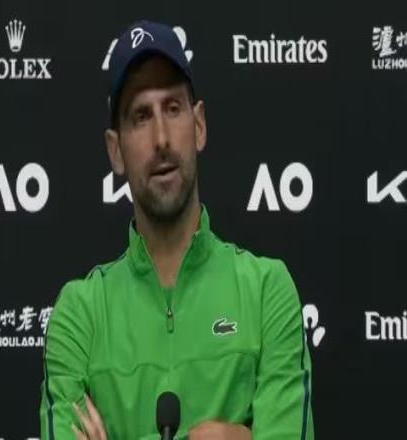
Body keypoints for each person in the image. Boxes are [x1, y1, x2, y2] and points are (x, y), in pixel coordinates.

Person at [40, 20, 314, 440]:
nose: (162, 138)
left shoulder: (267, 291)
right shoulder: (79, 316)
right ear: (116, 150)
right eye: (141, 116)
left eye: (172, 108)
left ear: (198, 125)